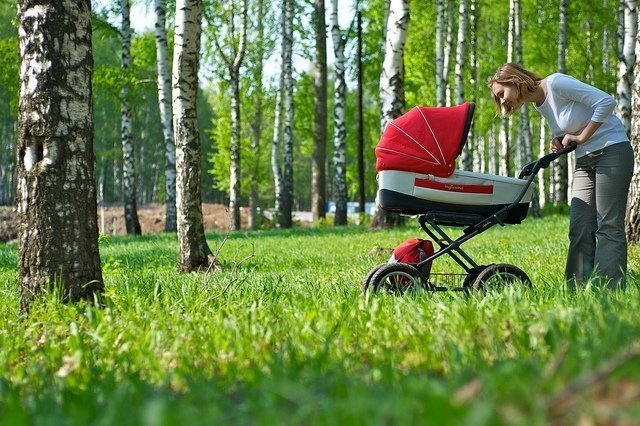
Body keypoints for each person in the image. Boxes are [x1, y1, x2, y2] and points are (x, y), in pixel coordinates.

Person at [487, 62, 634, 289]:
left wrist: (582, 137)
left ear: (514, 80)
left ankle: (609, 291)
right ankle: (575, 290)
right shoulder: (538, 104)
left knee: (608, 225)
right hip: (585, 160)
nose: (502, 101)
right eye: (498, 99)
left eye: (501, 94)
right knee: (580, 227)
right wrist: (561, 138)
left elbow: (606, 101)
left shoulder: (555, 83)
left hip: (612, 151)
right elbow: (573, 123)